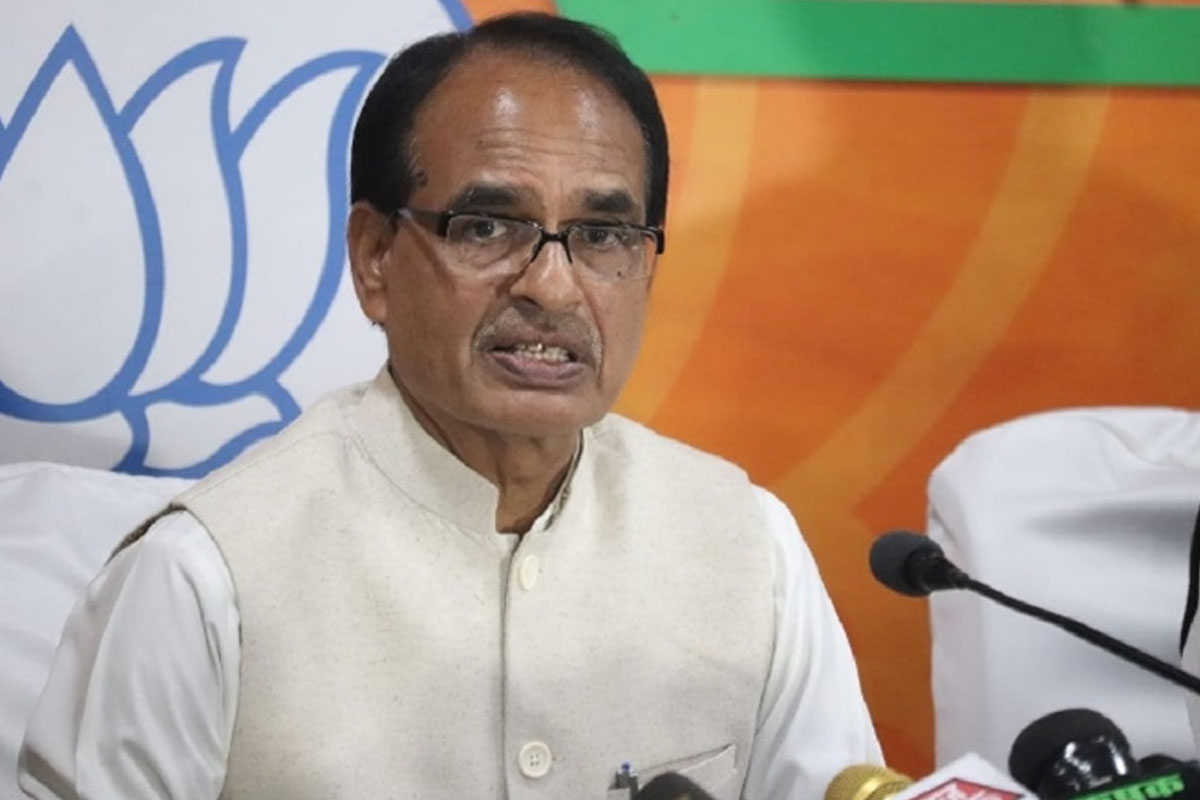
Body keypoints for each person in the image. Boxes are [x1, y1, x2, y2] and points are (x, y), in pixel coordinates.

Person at [18, 12, 882, 799]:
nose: (553, 286)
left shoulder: (747, 549)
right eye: (487, 226)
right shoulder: (206, 578)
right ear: (375, 258)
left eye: (603, 235)